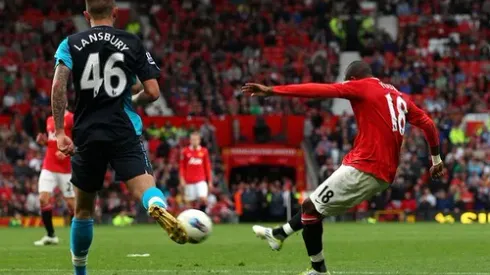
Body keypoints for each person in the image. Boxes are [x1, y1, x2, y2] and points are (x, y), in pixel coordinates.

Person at [242, 61, 445, 275]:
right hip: (380, 170)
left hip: (366, 166)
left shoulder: (361, 86)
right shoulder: (400, 96)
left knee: (311, 207)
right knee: (315, 206)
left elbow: (320, 89)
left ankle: (318, 269)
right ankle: (279, 234)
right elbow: (428, 123)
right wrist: (436, 160)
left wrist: (273, 91)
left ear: (353, 80)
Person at [51, 1, 188, 274]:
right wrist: (132, 99)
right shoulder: (132, 41)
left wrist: (59, 132)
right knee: (145, 187)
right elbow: (153, 91)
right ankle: (156, 205)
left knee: (84, 210)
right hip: (123, 127)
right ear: (115, 12)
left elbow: (59, 86)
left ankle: (80, 272)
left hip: (88, 132)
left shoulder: (71, 42)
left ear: (86, 15)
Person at [34, 110, 75, 246]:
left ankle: (77, 236)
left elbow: (80, 139)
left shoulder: (72, 118)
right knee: (42, 199)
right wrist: (44, 142)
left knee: (72, 205)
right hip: (48, 166)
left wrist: (68, 153)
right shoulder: (50, 119)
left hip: (65, 169)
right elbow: (52, 142)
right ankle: (51, 235)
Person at [179, 132, 212, 211]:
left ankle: (203, 215)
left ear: (199, 140)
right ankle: (193, 220)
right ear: (190, 140)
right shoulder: (185, 151)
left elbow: (207, 167)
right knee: (190, 203)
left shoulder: (204, 151)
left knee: (203, 198)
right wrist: (182, 179)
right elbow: (182, 167)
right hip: (189, 181)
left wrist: (210, 181)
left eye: (196, 140)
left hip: (201, 180)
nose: (194, 141)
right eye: (193, 139)